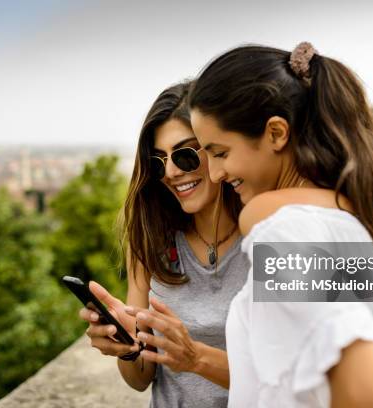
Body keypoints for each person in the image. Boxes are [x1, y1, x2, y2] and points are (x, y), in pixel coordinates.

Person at [187, 42, 373, 407]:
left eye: (220, 153)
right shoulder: (355, 220)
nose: (215, 173)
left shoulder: (287, 229)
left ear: (276, 133)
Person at [78, 81, 249, 407]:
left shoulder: (271, 238)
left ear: (217, 149)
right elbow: (141, 380)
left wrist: (195, 357)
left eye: (184, 155)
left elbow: (291, 378)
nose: (170, 171)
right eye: (158, 161)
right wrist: (129, 346)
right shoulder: (150, 241)